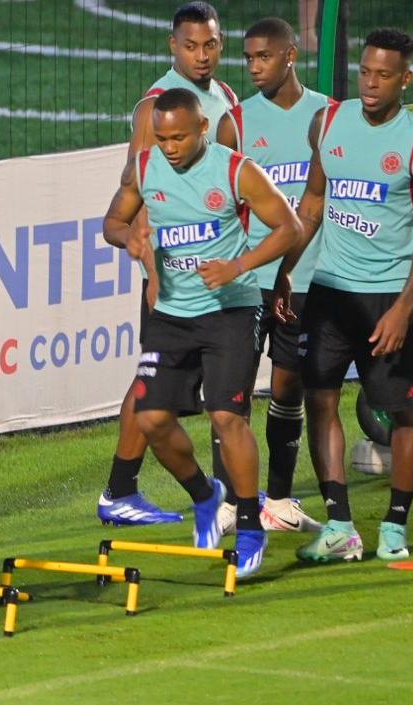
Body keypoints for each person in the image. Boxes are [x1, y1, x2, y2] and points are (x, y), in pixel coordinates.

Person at [105, 88, 303, 577]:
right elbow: (112, 220)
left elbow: (290, 227)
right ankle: (204, 494)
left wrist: (239, 266)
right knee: (151, 419)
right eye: (163, 137)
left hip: (229, 312)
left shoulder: (236, 170)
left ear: (201, 131)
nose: (169, 147)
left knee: (225, 416)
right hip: (171, 314)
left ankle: (251, 522)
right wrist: (129, 236)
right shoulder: (145, 168)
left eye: (179, 137)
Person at [292, 28, 413, 563]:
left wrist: (410, 305)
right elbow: (313, 202)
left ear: (406, 79)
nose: (371, 84)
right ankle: (340, 525)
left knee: (407, 414)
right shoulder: (328, 123)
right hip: (330, 293)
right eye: (365, 72)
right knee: (320, 400)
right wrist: (284, 274)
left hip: (388, 297)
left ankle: (396, 526)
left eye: (384, 75)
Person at [100, 0, 241, 527]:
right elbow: (136, 193)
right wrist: (154, 274)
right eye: (190, 46)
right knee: (152, 385)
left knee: (216, 392)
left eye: (209, 45)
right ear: (172, 46)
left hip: (219, 277)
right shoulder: (155, 105)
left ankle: (225, 498)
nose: (201, 56)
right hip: (174, 281)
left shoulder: (224, 96)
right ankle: (120, 489)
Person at [222, 17, 333, 535]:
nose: (253, 67)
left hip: (308, 279)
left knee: (290, 387)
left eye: (263, 57)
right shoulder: (236, 124)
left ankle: (282, 500)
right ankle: (229, 503)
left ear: (290, 55)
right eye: (247, 59)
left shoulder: (327, 115)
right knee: (234, 392)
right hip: (249, 281)